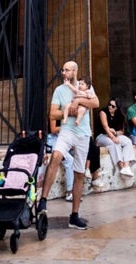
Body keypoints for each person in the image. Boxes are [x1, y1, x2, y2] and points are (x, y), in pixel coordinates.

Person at [37, 60, 98, 230]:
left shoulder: (85, 86)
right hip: (66, 131)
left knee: (79, 173)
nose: (64, 73)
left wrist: (79, 103)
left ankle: (74, 215)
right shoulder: (59, 90)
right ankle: (43, 201)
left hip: (83, 134)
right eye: (63, 70)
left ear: (75, 72)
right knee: (56, 156)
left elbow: (95, 103)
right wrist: (69, 109)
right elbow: (53, 113)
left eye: (67, 70)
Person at [94, 96, 136, 182]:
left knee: (127, 141)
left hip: (113, 135)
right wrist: (113, 137)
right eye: (109, 104)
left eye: (113, 106)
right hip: (102, 136)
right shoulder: (103, 112)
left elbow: (122, 131)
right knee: (113, 143)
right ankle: (121, 167)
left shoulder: (119, 115)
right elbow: (105, 127)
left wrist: (115, 133)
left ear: (117, 108)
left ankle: (126, 167)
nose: (110, 107)